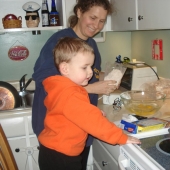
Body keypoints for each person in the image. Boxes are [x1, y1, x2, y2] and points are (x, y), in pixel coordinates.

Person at [32, 0, 118, 169]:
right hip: (59, 131)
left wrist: (104, 78)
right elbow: (47, 81)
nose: (97, 25)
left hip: (80, 125)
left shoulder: (90, 44)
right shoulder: (60, 41)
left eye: (101, 21)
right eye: (92, 18)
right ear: (79, 12)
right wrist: (93, 88)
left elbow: (89, 76)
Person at [38, 37, 141, 170]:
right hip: (62, 157)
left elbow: (70, 113)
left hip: (52, 151)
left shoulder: (62, 88)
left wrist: (93, 111)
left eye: (91, 66)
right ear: (65, 68)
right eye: (84, 67)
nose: (90, 72)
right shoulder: (71, 94)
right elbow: (93, 122)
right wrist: (121, 137)